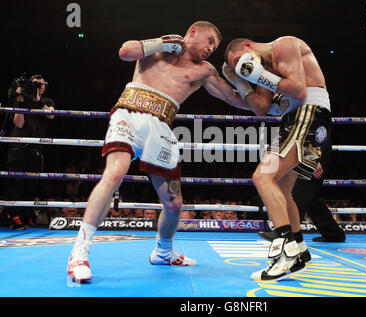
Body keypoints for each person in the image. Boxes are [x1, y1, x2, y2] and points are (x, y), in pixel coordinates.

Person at [67, 21, 250, 282]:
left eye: (215, 46)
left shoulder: (205, 70)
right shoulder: (160, 48)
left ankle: (163, 251)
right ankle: (79, 254)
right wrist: (162, 42)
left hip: (161, 128)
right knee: (115, 173)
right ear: (193, 32)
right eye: (209, 41)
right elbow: (125, 51)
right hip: (130, 112)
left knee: (174, 204)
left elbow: (232, 98)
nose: (211, 48)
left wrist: (264, 97)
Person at [223, 36, 332, 281]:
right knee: (283, 190)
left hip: (309, 112)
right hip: (295, 119)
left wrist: (256, 75)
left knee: (262, 176)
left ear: (248, 47)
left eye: (239, 60)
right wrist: (241, 85)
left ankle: (287, 251)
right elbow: (261, 107)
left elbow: (298, 89)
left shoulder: (285, 45)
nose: (241, 66)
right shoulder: (265, 70)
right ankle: (300, 249)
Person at [6, 74, 55, 229]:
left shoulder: (47, 102)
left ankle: (27, 215)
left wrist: (37, 100)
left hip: (36, 148)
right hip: (18, 145)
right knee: (16, 181)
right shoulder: (22, 100)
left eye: (40, 84)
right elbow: (18, 124)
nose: (38, 87)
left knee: (32, 183)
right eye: (34, 84)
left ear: (44, 86)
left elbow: (51, 114)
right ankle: (15, 217)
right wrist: (20, 102)